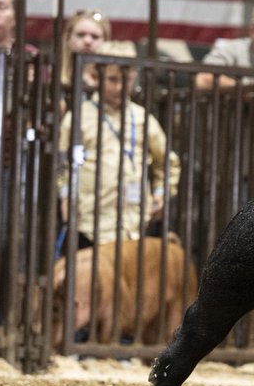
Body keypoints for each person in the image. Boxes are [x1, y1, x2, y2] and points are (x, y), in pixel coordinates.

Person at [58, 42, 181, 249]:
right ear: (97, 77)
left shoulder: (143, 119)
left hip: (133, 222)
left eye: (127, 80)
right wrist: (65, 194)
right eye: (112, 80)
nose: (120, 87)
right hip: (89, 222)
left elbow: (166, 162)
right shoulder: (78, 117)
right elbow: (63, 163)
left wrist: (161, 191)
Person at [59, 8, 112, 91]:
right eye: (81, 35)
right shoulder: (53, 75)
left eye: (95, 37)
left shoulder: (115, 80)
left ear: (106, 40)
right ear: (67, 38)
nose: (88, 41)